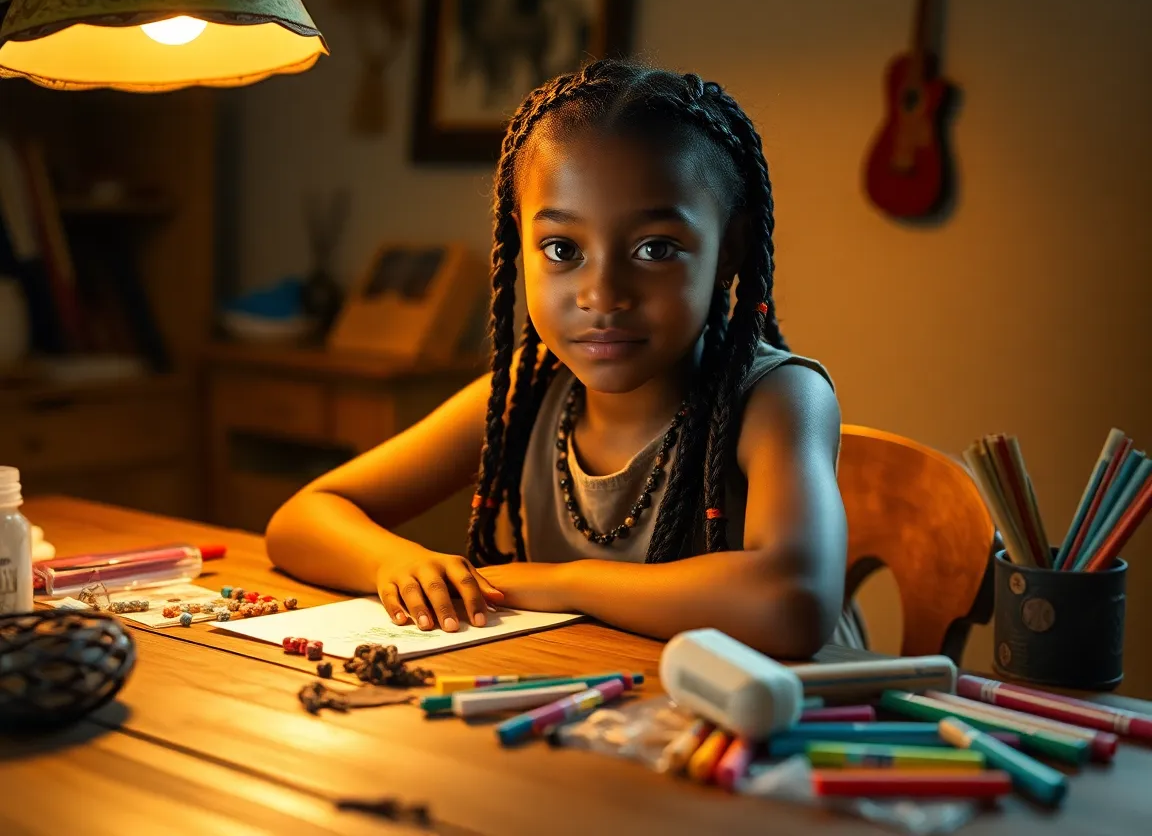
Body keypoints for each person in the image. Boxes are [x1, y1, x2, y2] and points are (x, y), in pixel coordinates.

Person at [266, 59, 863, 658]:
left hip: (798, 707)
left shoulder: (778, 398)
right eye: (561, 249)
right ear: (519, 244)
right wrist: (398, 562)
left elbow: (794, 603)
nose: (602, 295)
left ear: (729, 248)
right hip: (612, 696)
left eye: (656, 249)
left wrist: (558, 582)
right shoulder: (526, 396)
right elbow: (302, 518)